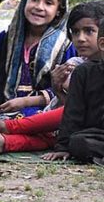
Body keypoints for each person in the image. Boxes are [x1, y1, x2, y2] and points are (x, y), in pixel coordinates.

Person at [0, 1, 104, 155]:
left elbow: (73, 112)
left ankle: (7, 127)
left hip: (80, 124)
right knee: (64, 138)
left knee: (64, 126)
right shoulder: (77, 66)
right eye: (75, 32)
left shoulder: (74, 60)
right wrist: (57, 89)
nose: (81, 38)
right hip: (79, 128)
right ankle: (2, 142)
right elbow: (75, 110)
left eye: (89, 31)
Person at [0, 0, 76, 118]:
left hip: (43, 112)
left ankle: (4, 133)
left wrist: (25, 102)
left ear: (58, 11)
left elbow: (67, 89)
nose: (39, 7)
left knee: (34, 119)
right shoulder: (6, 39)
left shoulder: (66, 45)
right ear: (25, 1)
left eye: (48, 3)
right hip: (4, 108)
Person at [42, 17, 104, 164]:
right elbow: (73, 112)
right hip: (98, 135)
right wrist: (62, 146)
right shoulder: (84, 72)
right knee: (78, 142)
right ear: (102, 44)